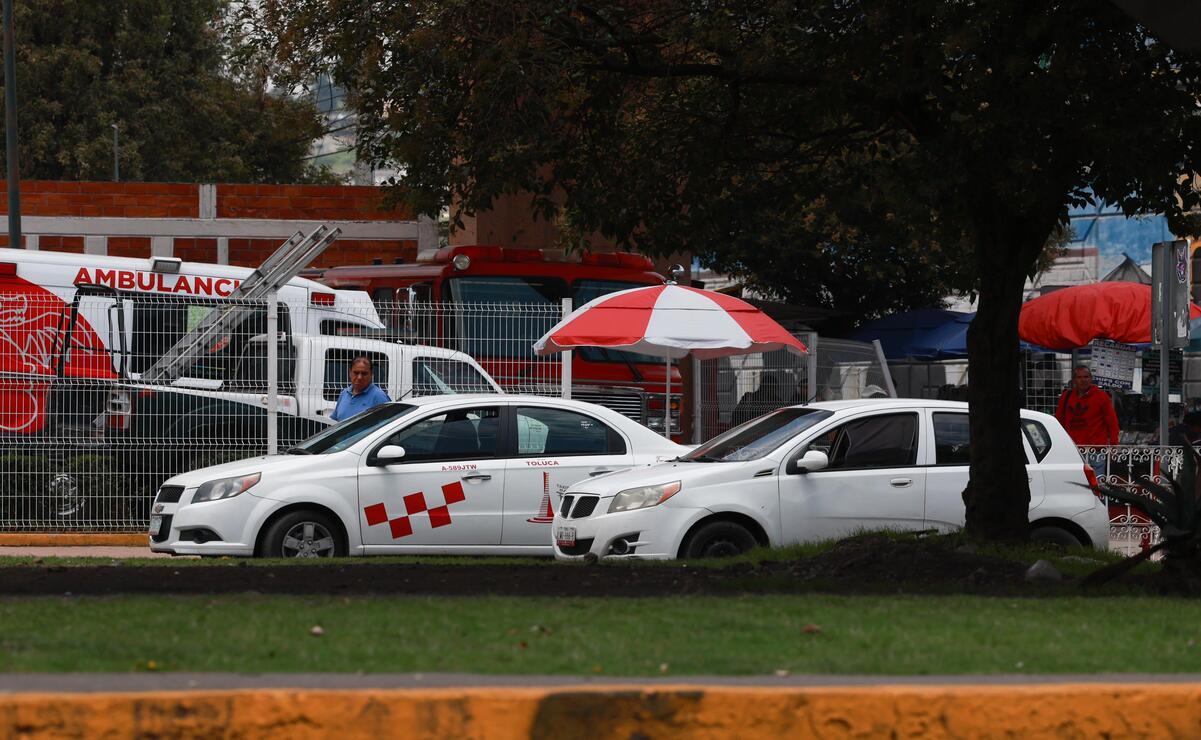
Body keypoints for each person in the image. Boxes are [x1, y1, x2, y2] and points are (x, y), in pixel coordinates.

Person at [1055, 365, 1119, 476]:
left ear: (1091, 378)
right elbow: (1059, 423)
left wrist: (1113, 447)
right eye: (1079, 377)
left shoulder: (1101, 396)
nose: (1083, 380)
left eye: (1086, 377)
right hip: (1072, 450)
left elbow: (1112, 424)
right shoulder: (1065, 397)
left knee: (1096, 486)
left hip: (1096, 451)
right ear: (1074, 380)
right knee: (1073, 484)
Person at [330, 355, 391, 422]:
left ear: (371, 374)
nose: (359, 377)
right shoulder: (344, 393)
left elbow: (387, 426)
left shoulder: (379, 397)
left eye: (364, 373)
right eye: (356, 373)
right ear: (350, 373)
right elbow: (335, 421)